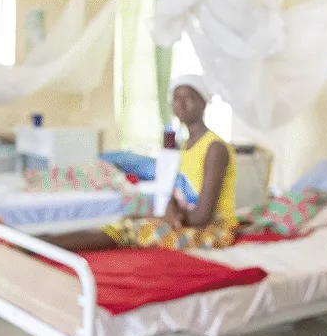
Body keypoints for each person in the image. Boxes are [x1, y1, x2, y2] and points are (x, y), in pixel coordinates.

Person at [38, 74, 237, 252]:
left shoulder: (214, 148)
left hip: (214, 231)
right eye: (176, 99)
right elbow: (175, 192)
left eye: (188, 98)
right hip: (187, 221)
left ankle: (45, 245)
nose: (180, 104)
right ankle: (45, 241)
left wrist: (166, 217)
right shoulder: (185, 146)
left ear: (204, 103)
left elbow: (202, 217)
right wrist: (169, 208)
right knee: (129, 218)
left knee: (133, 229)